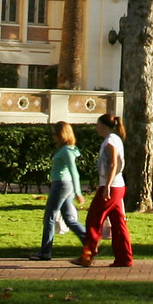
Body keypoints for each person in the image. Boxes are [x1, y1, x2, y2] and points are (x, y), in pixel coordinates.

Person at [78, 112, 133, 267]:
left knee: (94, 219)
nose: (96, 128)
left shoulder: (110, 141)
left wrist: (106, 186)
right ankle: (124, 258)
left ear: (103, 125)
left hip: (111, 187)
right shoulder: (114, 140)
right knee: (118, 224)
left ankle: (88, 255)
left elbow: (113, 164)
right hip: (117, 186)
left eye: (97, 125)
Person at [33, 121, 89, 261]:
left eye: (54, 134)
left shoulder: (66, 151)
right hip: (63, 184)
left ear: (62, 134)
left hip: (62, 185)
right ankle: (90, 243)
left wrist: (78, 192)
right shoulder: (66, 149)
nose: (53, 137)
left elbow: (74, 172)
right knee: (69, 218)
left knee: (49, 217)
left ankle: (45, 252)